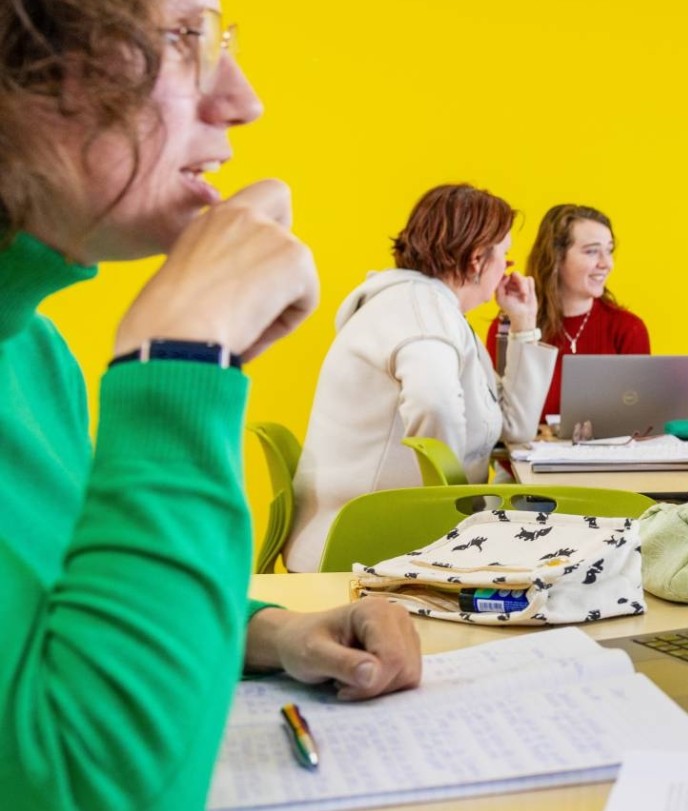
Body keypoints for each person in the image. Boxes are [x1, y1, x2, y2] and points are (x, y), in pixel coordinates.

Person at [0, 1, 420, 806]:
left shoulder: (31, 349)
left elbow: (54, 617)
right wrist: (182, 357)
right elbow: (89, 785)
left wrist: (257, 630)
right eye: (186, 37)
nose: (241, 96)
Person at [287, 184, 554, 570]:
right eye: (505, 257)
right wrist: (452, 506)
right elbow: (435, 403)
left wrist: (524, 325)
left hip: (379, 537)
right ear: (478, 258)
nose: (507, 270)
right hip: (371, 547)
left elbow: (515, 429)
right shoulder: (422, 314)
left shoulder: (438, 315)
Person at [484, 203, 648, 424]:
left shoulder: (628, 329)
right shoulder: (508, 329)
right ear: (556, 257)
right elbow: (499, 420)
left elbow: (637, 420)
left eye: (609, 250)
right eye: (591, 251)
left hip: (604, 459)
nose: (606, 263)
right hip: (527, 458)